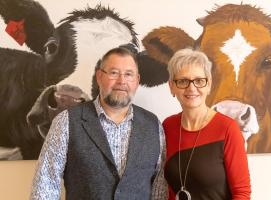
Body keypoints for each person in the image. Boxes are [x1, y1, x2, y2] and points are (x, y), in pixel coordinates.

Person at [30, 47, 167, 200]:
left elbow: (159, 189)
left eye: (129, 74)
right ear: (99, 77)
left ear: (137, 81)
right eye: (114, 73)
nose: (122, 81)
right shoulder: (66, 122)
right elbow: (45, 187)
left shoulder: (153, 126)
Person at [163, 48, 251, 200]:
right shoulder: (167, 126)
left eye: (199, 81)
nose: (191, 88)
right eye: (183, 81)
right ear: (172, 86)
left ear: (209, 85)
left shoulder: (227, 129)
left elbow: (242, 193)